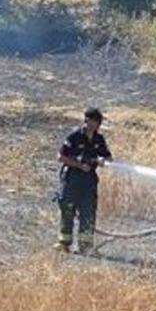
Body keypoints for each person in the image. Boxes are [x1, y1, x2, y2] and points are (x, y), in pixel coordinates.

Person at [55, 107, 113, 253]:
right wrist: (79, 165)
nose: (93, 125)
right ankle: (64, 243)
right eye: (91, 121)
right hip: (72, 178)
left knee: (88, 212)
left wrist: (102, 160)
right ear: (86, 120)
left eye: (97, 122)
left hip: (89, 181)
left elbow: (108, 157)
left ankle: (85, 246)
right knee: (68, 209)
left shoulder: (99, 140)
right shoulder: (74, 137)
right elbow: (60, 157)